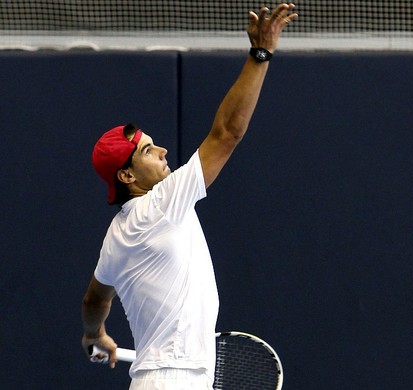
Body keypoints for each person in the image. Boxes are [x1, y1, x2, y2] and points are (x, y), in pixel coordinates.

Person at [81, 4, 297, 389]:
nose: (162, 150)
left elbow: (94, 300)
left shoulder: (116, 235)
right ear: (127, 175)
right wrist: (260, 54)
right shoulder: (162, 204)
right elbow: (228, 132)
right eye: (148, 151)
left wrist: (94, 334)